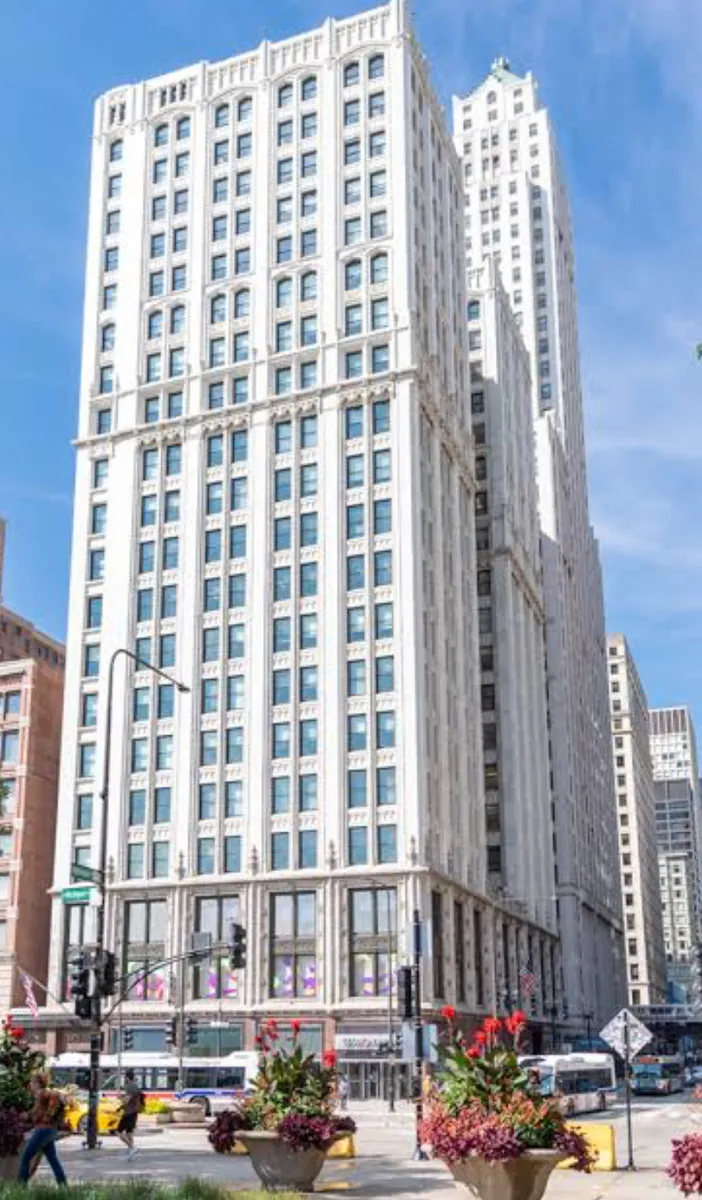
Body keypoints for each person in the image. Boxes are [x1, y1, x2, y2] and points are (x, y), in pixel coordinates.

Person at [17, 1072, 67, 1186]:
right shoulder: (48, 1093)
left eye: (32, 1082)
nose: (31, 1084)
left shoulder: (40, 1094)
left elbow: (36, 1110)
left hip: (42, 1130)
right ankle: (63, 1185)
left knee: (25, 1158)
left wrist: (27, 1115)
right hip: (51, 1130)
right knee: (53, 1160)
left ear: (38, 1083)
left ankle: (20, 1187)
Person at [116, 1069, 143, 1159]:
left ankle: (132, 1147)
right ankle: (131, 1152)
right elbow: (132, 1099)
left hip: (128, 1113)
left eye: (125, 1077)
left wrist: (120, 1098)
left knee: (118, 1132)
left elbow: (127, 1100)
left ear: (127, 1077)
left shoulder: (129, 1086)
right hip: (134, 1112)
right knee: (129, 1133)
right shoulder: (135, 1086)